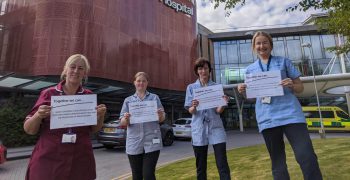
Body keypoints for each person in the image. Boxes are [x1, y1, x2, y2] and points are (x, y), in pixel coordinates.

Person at [238, 31, 322, 180]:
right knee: (278, 164)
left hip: (291, 115)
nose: (261, 46)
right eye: (258, 43)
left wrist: (292, 84)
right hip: (268, 118)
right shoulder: (250, 70)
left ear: (270, 45)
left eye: (265, 42)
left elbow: (300, 87)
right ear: (253, 47)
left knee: (306, 156)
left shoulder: (284, 61)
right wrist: (243, 92)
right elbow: (251, 98)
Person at [23, 54, 107, 180]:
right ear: (65, 69)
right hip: (49, 157)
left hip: (80, 159)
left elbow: (94, 129)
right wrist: (38, 115)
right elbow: (29, 130)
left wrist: (100, 116)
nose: (75, 71)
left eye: (80, 68)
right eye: (72, 67)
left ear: (85, 73)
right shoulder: (48, 94)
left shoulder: (88, 96)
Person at [184, 57, 231, 180]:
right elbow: (190, 110)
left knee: (222, 164)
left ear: (209, 70)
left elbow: (218, 111)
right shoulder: (191, 88)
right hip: (199, 129)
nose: (203, 71)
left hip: (216, 128)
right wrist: (193, 107)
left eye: (205, 68)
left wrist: (223, 104)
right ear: (197, 71)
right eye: (200, 68)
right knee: (201, 166)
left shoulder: (216, 87)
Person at [120, 72, 165, 180]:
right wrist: (125, 119)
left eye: (143, 81)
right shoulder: (128, 101)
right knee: (137, 176)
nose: (141, 83)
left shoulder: (154, 98)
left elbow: (162, 119)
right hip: (134, 142)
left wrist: (160, 115)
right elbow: (122, 122)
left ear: (147, 83)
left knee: (148, 174)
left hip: (152, 141)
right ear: (134, 83)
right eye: (139, 81)